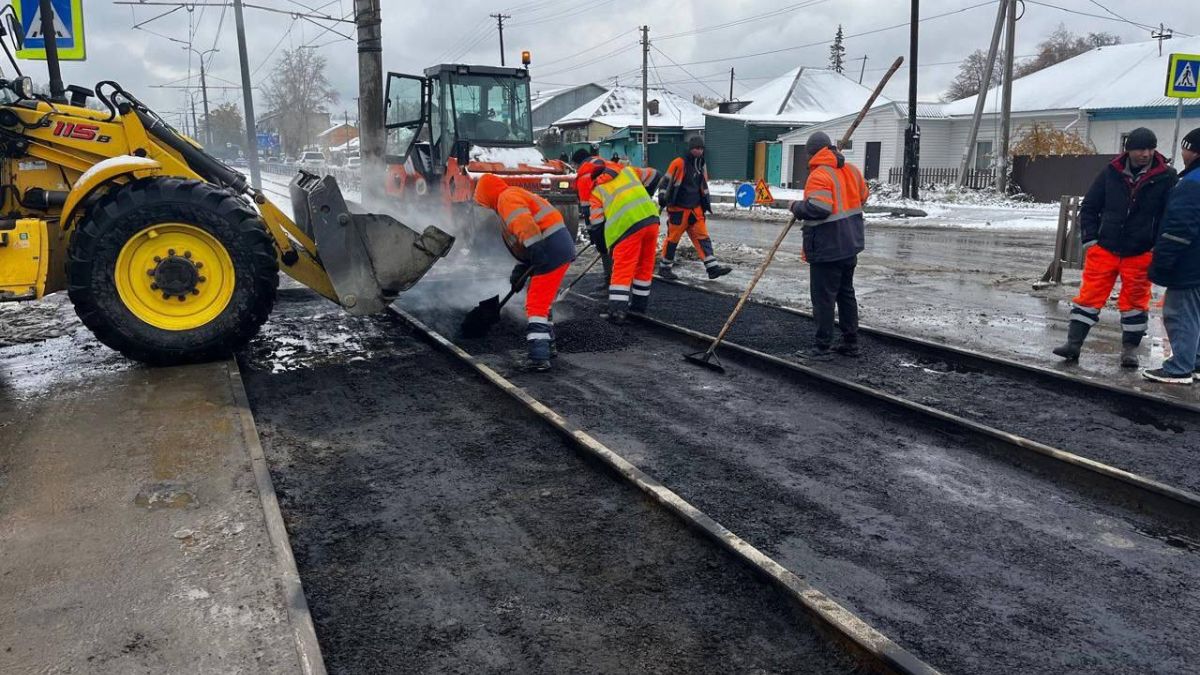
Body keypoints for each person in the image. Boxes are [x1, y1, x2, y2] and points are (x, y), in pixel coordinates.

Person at [1054, 128, 1178, 368]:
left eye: (1150, 148)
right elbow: (1089, 207)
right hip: (1106, 249)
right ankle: (1073, 345)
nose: (1146, 153)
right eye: (1140, 149)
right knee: (1088, 298)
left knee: (1135, 303)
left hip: (1141, 252)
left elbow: (1169, 216)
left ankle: (1130, 351)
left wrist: (1156, 247)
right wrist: (1091, 239)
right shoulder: (1111, 172)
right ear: (1128, 150)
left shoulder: (1166, 176)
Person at [474, 173, 576, 372]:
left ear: (487, 194)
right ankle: (548, 346)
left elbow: (525, 226)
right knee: (542, 300)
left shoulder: (506, 198)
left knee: (535, 304)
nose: (485, 207)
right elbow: (528, 238)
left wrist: (536, 250)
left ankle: (539, 357)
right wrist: (521, 269)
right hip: (556, 247)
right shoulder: (512, 195)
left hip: (551, 249)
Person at [788, 132, 868, 361]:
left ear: (812, 152)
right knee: (845, 294)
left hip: (828, 247)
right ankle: (850, 343)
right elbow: (863, 196)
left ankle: (822, 347)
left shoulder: (819, 174)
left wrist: (796, 206)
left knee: (824, 299)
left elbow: (819, 208)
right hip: (850, 243)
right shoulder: (851, 170)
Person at [1144, 128, 1200, 384]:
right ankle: (1195, 362)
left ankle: (1179, 368)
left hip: (1189, 263)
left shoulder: (1191, 183)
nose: (1182, 151)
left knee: (1180, 314)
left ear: (1193, 151)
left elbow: (1178, 229)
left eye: (1186, 147)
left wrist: (1162, 264)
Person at [586, 160, 662, 324]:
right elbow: (655, 174)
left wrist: (602, 247)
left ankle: (617, 312)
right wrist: (646, 194)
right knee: (645, 264)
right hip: (651, 220)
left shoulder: (596, 191)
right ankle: (638, 308)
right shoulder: (628, 171)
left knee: (623, 268)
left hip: (627, 229)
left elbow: (597, 225)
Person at [657, 136, 732, 281]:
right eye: (697, 148)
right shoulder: (678, 163)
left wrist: (704, 204)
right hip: (679, 209)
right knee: (673, 239)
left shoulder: (701, 164)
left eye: (701, 148)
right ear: (691, 148)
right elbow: (665, 181)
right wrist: (662, 196)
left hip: (696, 209)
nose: (699, 151)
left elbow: (703, 185)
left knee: (703, 237)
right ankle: (664, 268)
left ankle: (712, 268)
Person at [571, 147, 613, 288]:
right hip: (618, 210)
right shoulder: (604, 163)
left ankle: (610, 280)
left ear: (578, 162)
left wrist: (592, 232)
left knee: (604, 248)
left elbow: (587, 207)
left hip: (601, 214)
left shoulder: (584, 176)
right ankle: (619, 278)